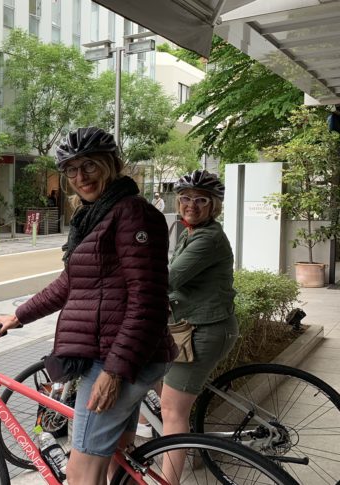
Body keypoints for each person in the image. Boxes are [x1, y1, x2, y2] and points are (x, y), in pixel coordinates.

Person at [0, 127, 177, 484]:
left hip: (117, 361)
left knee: (81, 474)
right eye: (71, 170)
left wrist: (113, 373)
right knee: (113, 462)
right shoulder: (96, 217)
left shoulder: (131, 215)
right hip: (123, 355)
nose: (81, 177)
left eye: (90, 166)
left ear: (112, 165)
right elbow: (71, 283)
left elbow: (148, 301)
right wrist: (17, 316)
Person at [158, 170, 237, 482]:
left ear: (213, 206)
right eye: (186, 198)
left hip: (204, 331)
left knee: (172, 411)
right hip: (193, 325)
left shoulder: (208, 238)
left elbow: (169, 279)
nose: (191, 204)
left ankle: (169, 481)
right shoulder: (191, 231)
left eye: (201, 199)